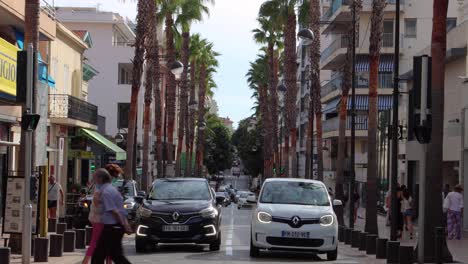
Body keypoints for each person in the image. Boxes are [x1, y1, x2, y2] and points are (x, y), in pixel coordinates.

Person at [91, 168, 132, 264]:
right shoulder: (112, 189)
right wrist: (125, 225)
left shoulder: (106, 192)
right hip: (115, 228)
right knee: (117, 256)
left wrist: (124, 226)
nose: (94, 181)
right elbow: (122, 211)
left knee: (98, 256)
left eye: (95, 178)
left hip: (111, 228)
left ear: (100, 179)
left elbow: (115, 211)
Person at [82, 170, 110, 264]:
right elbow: (96, 201)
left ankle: (86, 261)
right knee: (97, 241)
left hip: (99, 219)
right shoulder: (100, 188)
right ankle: (85, 261)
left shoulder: (99, 187)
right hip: (100, 219)